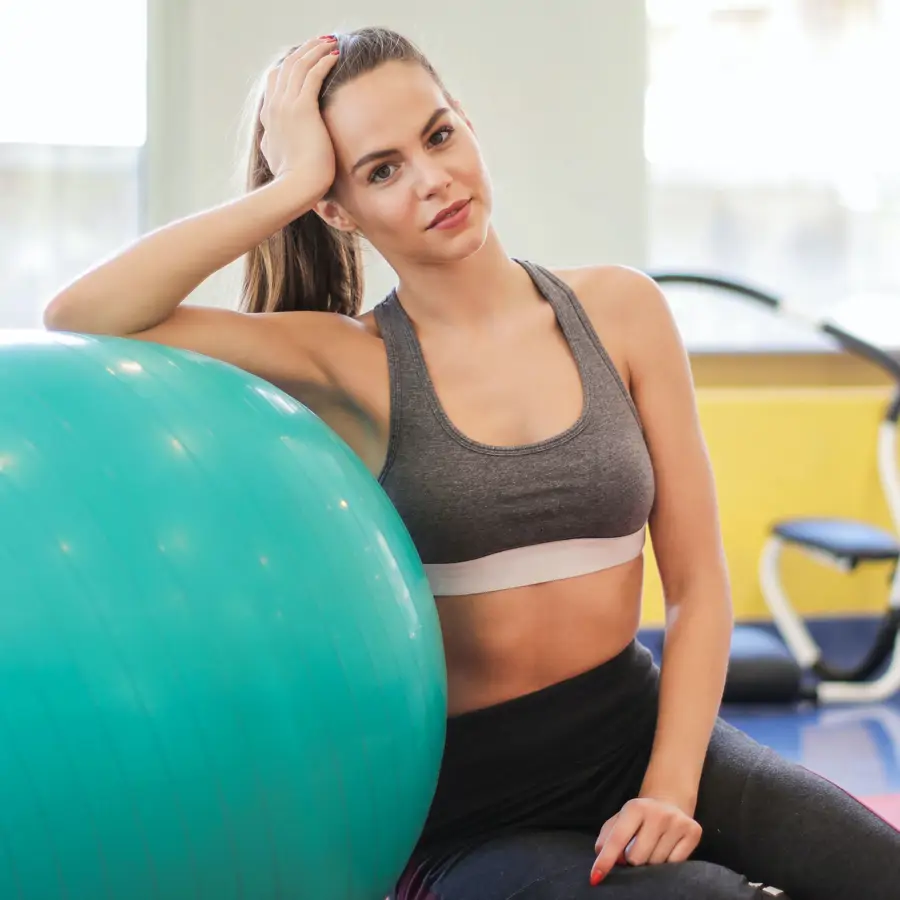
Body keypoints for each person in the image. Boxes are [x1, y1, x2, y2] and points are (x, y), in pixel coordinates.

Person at [44, 27, 899, 900]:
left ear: (468, 124)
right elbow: (85, 314)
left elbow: (697, 584)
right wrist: (292, 184)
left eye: (439, 134)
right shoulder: (352, 364)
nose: (432, 181)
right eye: (380, 171)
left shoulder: (622, 311)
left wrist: (669, 787)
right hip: (472, 816)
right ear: (339, 211)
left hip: (642, 739)